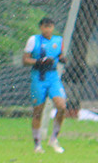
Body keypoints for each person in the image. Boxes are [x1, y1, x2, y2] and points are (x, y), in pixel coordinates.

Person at [23, 17, 67, 153]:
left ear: (53, 27)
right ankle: (37, 145)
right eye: (45, 27)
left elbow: (60, 56)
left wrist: (62, 59)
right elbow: (25, 60)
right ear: (41, 28)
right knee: (38, 111)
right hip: (38, 77)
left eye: (50, 26)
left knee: (62, 106)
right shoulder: (33, 40)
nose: (48, 29)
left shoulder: (58, 41)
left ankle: (54, 139)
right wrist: (39, 61)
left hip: (53, 77)